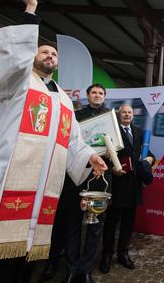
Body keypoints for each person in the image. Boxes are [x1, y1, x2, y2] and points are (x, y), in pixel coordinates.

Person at [0, 0, 107, 283]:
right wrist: (30, 12)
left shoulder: (63, 98)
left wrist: (90, 155)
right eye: (44, 51)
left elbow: (71, 140)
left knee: (25, 254)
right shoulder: (18, 84)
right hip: (7, 179)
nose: (50, 56)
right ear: (31, 56)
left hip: (41, 189)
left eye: (54, 54)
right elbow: (14, 62)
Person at [41, 84, 110, 283]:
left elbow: (116, 149)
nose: (97, 95)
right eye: (94, 93)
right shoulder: (75, 117)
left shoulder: (110, 119)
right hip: (75, 176)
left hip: (100, 178)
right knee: (72, 224)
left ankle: (85, 270)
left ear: (104, 97)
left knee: (95, 225)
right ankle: (71, 269)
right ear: (88, 96)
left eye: (100, 93)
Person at [100, 104, 155, 274]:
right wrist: (112, 168)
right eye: (124, 112)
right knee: (110, 223)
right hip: (117, 184)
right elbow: (104, 155)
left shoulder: (139, 133)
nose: (126, 115)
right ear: (119, 115)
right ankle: (106, 255)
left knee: (128, 223)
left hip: (133, 186)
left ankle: (123, 253)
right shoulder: (113, 131)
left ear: (133, 115)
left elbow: (151, 155)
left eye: (129, 112)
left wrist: (149, 160)